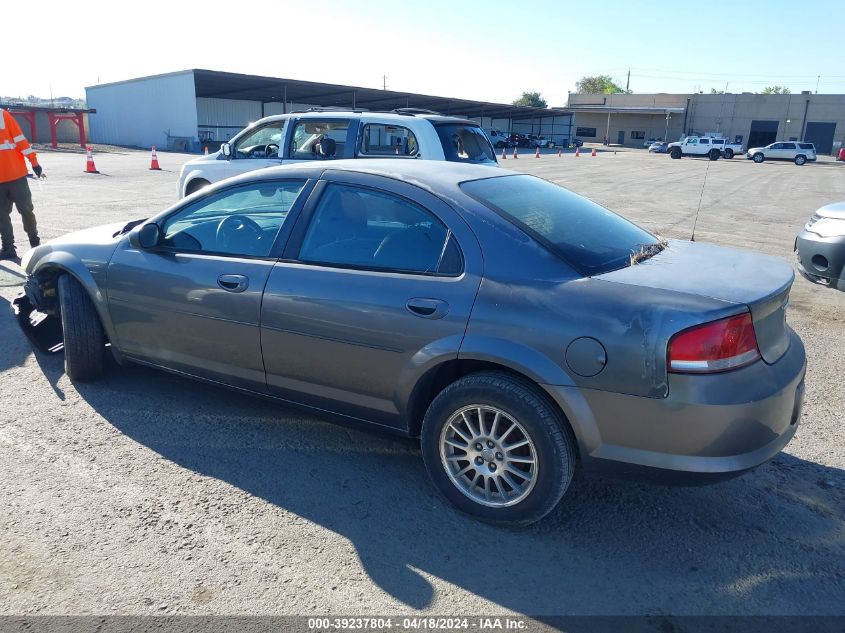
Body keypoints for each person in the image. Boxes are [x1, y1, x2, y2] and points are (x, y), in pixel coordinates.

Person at [1, 108, 42, 260]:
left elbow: (20, 140)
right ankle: (8, 248)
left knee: (26, 210)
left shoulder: (3, 115)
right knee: (1, 216)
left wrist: (34, 161)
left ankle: (35, 243)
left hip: (16, 175)